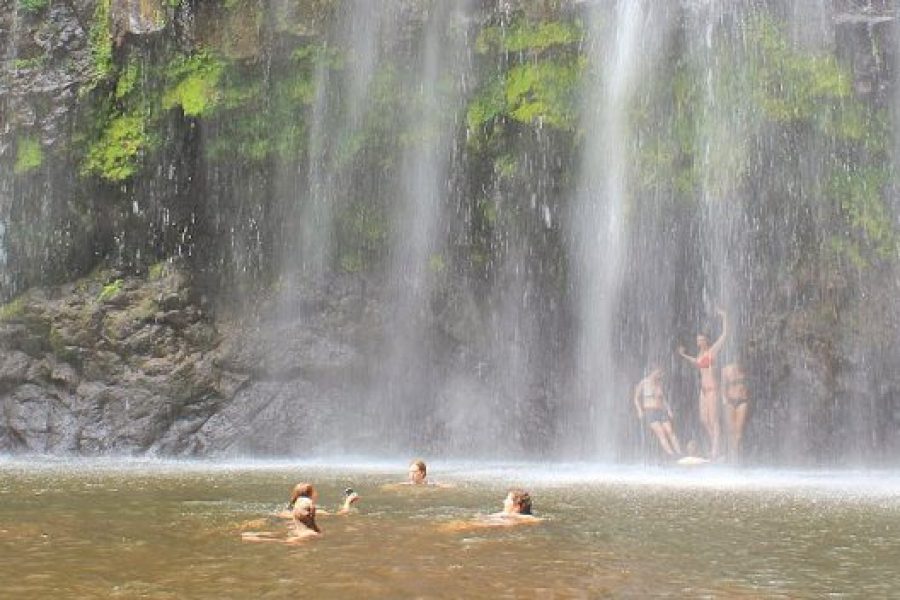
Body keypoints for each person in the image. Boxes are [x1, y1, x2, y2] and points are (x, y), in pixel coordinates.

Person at [678, 308, 727, 459]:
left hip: (712, 389)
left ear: (706, 340)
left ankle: (715, 450)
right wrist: (684, 355)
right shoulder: (700, 354)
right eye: (697, 339)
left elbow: (724, 335)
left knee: (713, 420)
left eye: (700, 339)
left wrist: (725, 317)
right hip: (703, 391)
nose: (698, 341)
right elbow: (696, 362)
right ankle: (718, 446)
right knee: (704, 420)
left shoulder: (712, 351)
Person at [632, 368, 682, 457]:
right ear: (653, 372)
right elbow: (636, 397)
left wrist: (669, 410)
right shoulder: (644, 383)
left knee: (670, 431)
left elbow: (663, 399)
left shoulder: (659, 383)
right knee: (661, 432)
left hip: (661, 411)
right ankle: (671, 454)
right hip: (650, 412)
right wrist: (639, 410)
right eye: (659, 373)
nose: (660, 375)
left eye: (661, 373)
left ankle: (680, 453)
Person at [440, 489, 540, 531]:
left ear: (517, 506)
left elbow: (535, 520)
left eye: (507, 499)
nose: (504, 502)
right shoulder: (506, 515)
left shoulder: (523, 517)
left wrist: (511, 515)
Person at [721, 362, 750, 462]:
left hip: (742, 401)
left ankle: (735, 453)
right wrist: (724, 400)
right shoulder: (725, 369)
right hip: (730, 401)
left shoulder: (745, 367)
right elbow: (723, 386)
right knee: (731, 430)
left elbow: (749, 384)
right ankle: (730, 453)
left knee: (739, 431)